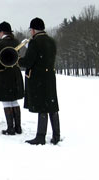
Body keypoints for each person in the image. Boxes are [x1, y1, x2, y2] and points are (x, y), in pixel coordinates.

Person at [19, 17, 61, 145]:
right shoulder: (51, 41)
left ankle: (40, 136)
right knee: (52, 106)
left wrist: (18, 60)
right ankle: (56, 135)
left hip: (38, 78)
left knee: (42, 107)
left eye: (31, 30)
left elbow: (28, 62)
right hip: (49, 77)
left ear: (33, 29)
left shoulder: (35, 42)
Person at [0, 21, 24, 135]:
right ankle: (18, 127)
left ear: (2, 32)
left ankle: (10, 128)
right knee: (14, 100)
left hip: (4, 75)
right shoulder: (16, 41)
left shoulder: (1, 44)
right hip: (15, 73)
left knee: (5, 101)